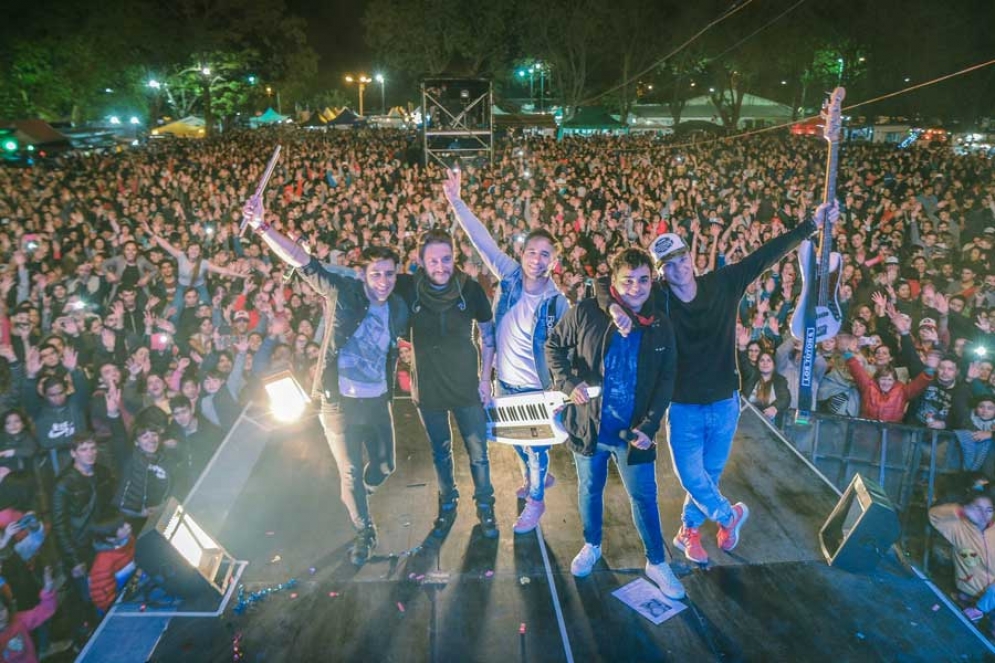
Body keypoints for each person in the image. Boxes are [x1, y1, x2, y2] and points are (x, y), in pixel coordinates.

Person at [609, 201, 836, 565]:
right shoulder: (659, 299)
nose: (678, 266)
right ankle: (730, 516)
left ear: (692, 258)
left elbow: (766, 255)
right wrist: (613, 307)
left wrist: (811, 225)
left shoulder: (724, 284)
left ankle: (689, 531)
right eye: (668, 264)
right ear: (661, 273)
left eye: (681, 258)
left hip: (726, 404)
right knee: (691, 478)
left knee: (709, 476)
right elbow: (615, 289)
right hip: (682, 407)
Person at [243, 198, 409, 566]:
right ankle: (364, 529)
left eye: (389, 274)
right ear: (363, 275)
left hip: (377, 400)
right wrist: (262, 227)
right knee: (349, 470)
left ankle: (358, 493)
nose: (383, 281)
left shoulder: (398, 305)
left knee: (384, 467)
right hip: (337, 403)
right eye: (376, 274)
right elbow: (302, 261)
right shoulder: (343, 292)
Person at [546, 247, 684, 599]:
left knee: (644, 497)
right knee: (589, 489)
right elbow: (554, 347)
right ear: (615, 282)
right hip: (589, 427)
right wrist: (568, 383)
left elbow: (667, 379)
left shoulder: (661, 324)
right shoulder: (588, 312)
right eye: (628, 281)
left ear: (652, 281)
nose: (636, 288)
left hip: (634, 433)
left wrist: (650, 426)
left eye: (643, 280)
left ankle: (656, 561)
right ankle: (592, 544)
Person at [443, 168, 570, 534]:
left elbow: (568, 348)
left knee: (536, 450)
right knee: (514, 441)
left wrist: (560, 392)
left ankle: (536, 500)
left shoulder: (556, 303)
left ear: (553, 261)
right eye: (532, 252)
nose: (537, 259)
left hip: (538, 389)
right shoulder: (510, 277)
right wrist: (456, 202)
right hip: (506, 385)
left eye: (545, 254)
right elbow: (481, 241)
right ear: (522, 253)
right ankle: (538, 481)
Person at [395, 229, 498, 539]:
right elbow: (368, 282)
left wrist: (485, 380)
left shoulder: (470, 288)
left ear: (454, 257)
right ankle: (447, 503)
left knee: (478, 453)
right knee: (441, 453)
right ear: (420, 260)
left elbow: (488, 335)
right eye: (433, 260)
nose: (440, 266)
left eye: (446, 259)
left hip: (466, 385)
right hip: (428, 387)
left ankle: (485, 506)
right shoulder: (406, 287)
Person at [929, 487, 995, 623]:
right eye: (978, 508)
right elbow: (933, 515)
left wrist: (981, 608)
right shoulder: (958, 528)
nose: (983, 515)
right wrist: (961, 510)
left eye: (989, 510)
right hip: (967, 597)